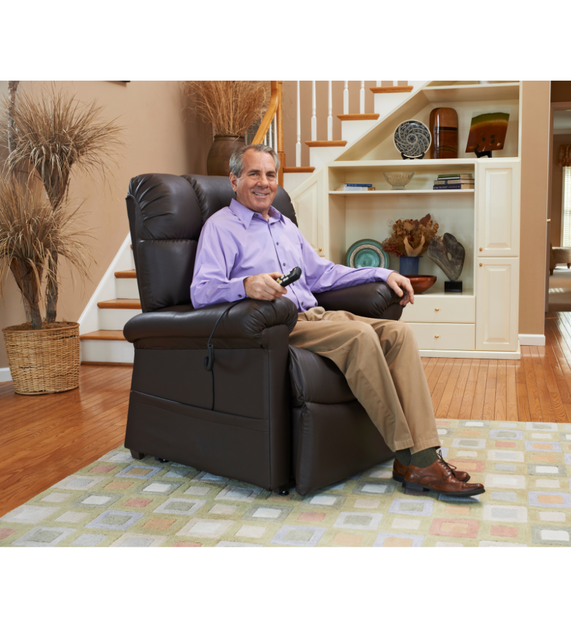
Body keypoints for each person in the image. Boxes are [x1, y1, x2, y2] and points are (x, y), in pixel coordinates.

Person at [191, 144, 485, 498]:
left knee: (398, 333)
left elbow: (323, 274)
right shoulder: (220, 227)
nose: (264, 183)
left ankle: (421, 454)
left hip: (318, 315)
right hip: (279, 326)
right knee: (359, 336)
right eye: (254, 174)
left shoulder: (284, 226)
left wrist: (382, 272)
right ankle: (416, 458)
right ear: (234, 180)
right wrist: (246, 285)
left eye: (270, 175)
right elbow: (202, 291)